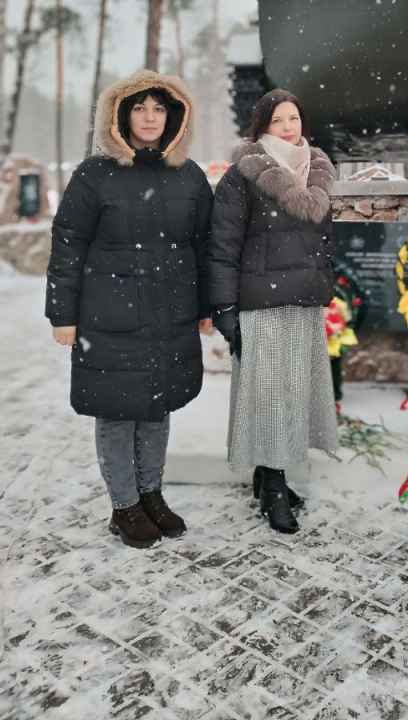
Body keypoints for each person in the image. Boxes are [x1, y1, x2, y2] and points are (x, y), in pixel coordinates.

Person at [45, 70, 213, 549]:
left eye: (159, 108)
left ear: (173, 115)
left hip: (170, 314)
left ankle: (150, 494)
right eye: (139, 107)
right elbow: (68, 244)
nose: (149, 117)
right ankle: (123, 506)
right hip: (109, 316)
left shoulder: (190, 175)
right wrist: (63, 314)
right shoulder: (94, 175)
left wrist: (205, 307)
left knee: (157, 408)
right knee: (118, 412)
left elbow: (204, 246)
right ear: (120, 114)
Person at [208, 89, 338, 535]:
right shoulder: (242, 176)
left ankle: (267, 478)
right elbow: (223, 246)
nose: (289, 126)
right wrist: (224, 308)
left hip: (303, 301)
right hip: (260, 302)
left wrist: (326, 284)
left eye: (295, 118)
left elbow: (322, 243)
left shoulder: (316, 171)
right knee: (269, 395)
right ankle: (277, 486)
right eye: (279, 119)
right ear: (262, 126)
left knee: (293, 391)